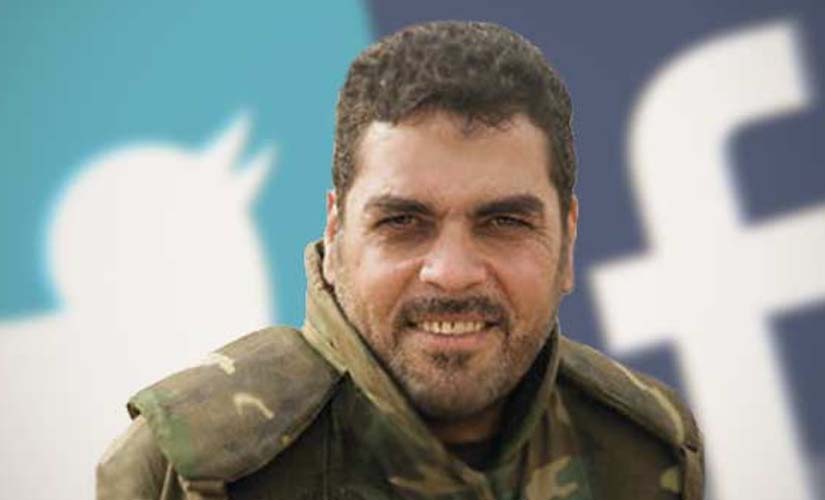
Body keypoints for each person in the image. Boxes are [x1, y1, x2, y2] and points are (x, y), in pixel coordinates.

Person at [97, 21, 704, 500]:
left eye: (504, 222)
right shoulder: (191, 469)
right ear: (335, 234)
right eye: (402, 223)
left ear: (567, 242)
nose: (452, 272)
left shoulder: (646, 451)